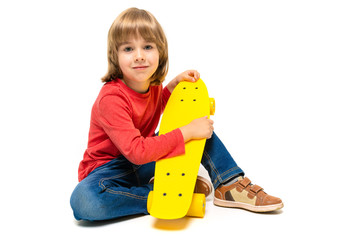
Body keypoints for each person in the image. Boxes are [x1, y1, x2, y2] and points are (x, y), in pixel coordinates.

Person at [70, 7, 283, 221]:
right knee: (84, 200)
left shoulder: (151, 85)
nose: (139, 56)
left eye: (147, 46)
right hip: (107, 172)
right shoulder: (111, 99)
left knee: (199, 127)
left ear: (160, 51)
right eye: (128, 49)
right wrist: (185, 133)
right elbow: (137, 151)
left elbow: (150, 110)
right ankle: (163, 195)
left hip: (141, 162)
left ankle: (229, 184)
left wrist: (171, 89)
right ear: (114, 55)